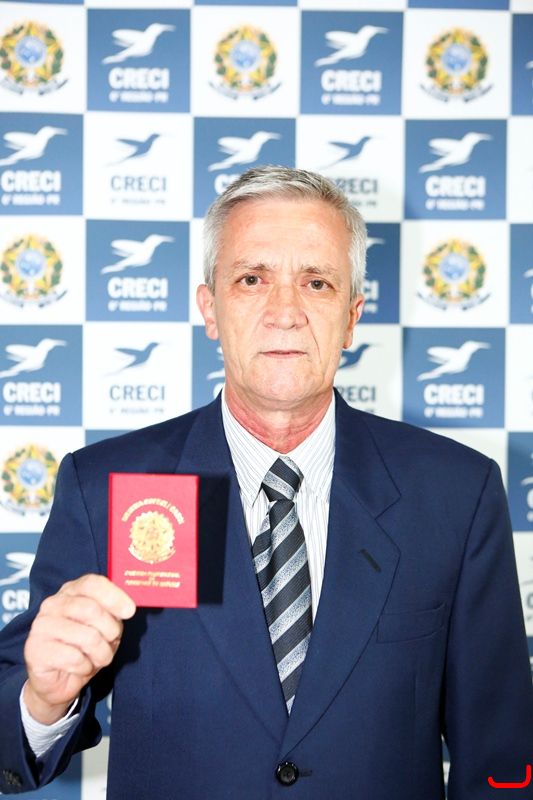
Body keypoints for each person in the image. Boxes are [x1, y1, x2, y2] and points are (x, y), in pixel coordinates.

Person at [0, 166, 532, 799]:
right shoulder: (108, 486)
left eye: (316, 282)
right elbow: (14, 724)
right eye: (252, 279)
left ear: (352, 317)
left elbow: (501, 756)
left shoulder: (458, 494)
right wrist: (43, 700)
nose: (285, 313)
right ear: (210, 309)